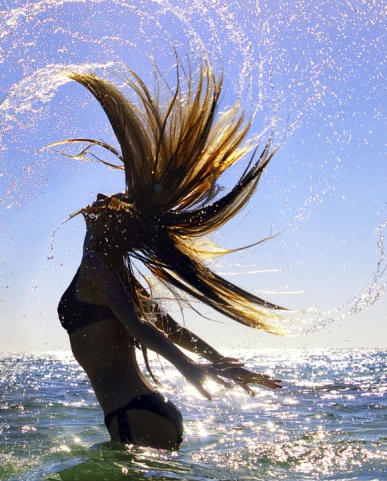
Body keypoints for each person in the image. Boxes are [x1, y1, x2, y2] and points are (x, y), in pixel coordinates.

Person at [56, 61, 288, 450]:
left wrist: (191, 368)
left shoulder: (100, 267)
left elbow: (138, 326)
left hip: (135, 413)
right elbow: (170, 329)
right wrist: (218, 362)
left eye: (109, 201)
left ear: (114, 225)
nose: (97, 199)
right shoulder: (114, 277)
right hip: (140, 412)